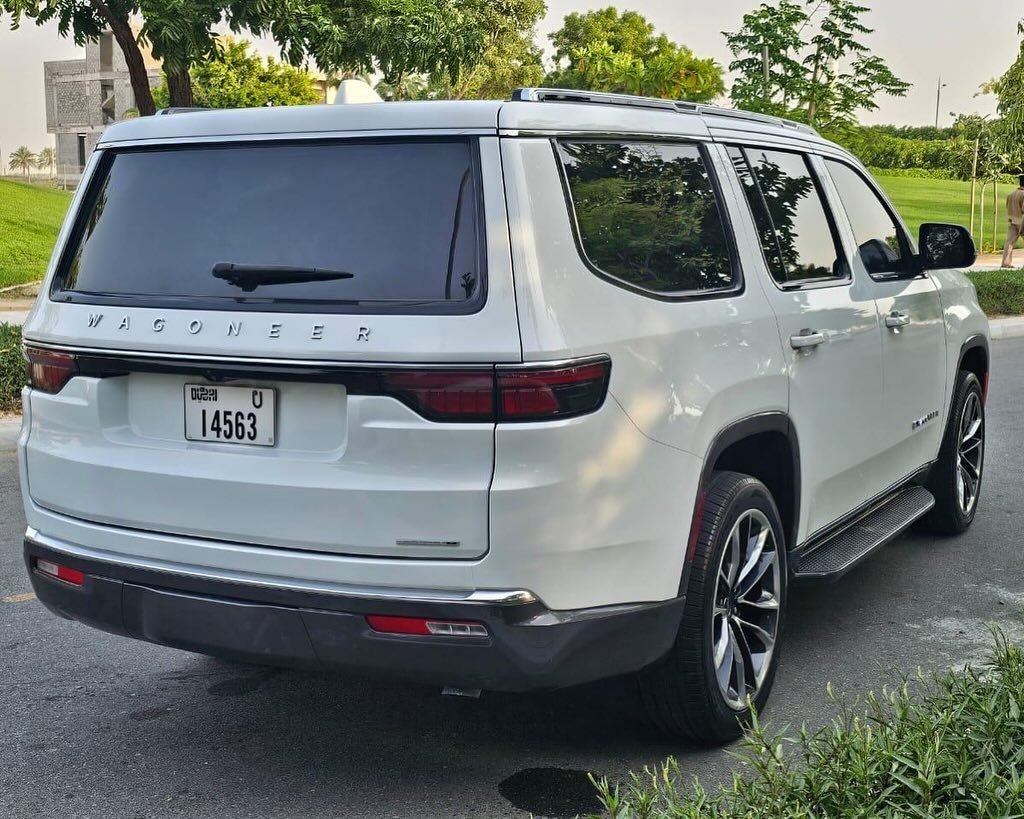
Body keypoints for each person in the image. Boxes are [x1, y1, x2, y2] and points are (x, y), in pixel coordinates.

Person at [1002, 175, 1024, 267]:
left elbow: (1007, 206)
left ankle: (1005, 263)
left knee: (1009, 242)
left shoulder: (1011, 194)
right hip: (1022, 221)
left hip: (1012, 221)